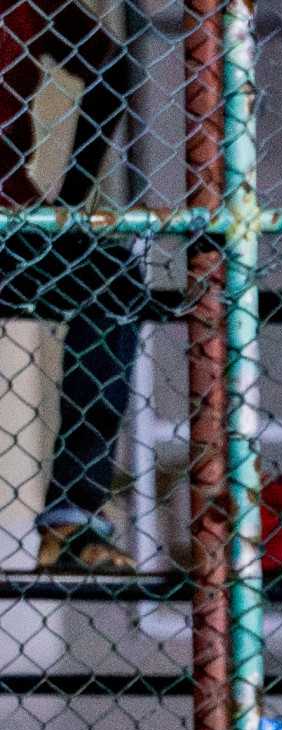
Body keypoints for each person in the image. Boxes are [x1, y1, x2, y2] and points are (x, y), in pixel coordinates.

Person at [0, 2, 148, 571]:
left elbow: (111, 66)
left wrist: (69, 201)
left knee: (110, 276)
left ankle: (71, 518)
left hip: (13, 228)